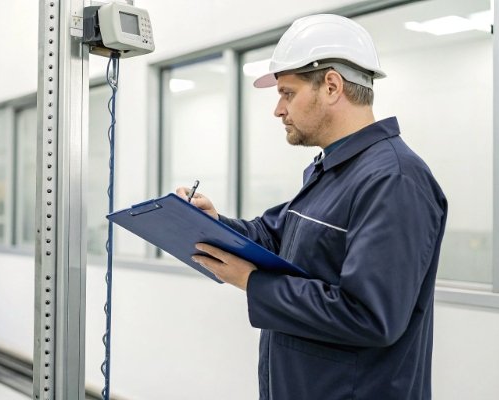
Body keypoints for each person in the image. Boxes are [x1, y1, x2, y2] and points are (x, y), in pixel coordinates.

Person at [177, 14, 447, 400]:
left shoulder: (394, 179)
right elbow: (275, 235)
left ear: (332, 85)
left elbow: (370, 316)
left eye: (287, 93)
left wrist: (253, 283)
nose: (278, 109)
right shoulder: (334, 169)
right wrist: (215, 223)